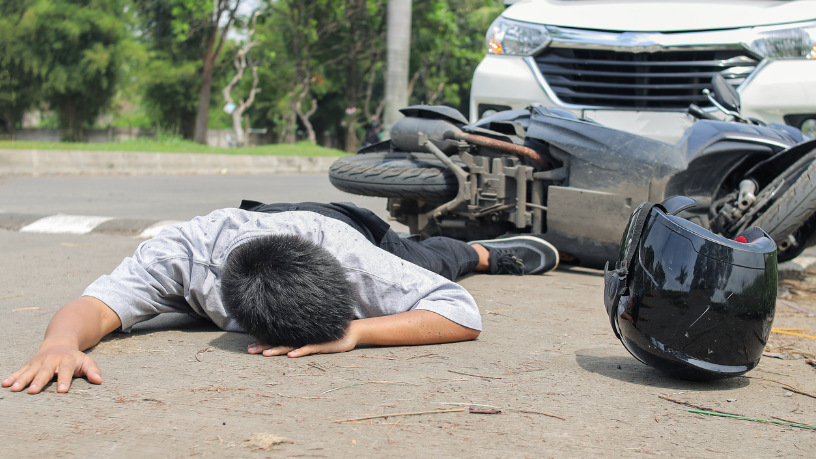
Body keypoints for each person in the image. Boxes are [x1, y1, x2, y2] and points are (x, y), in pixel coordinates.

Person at [2, 201, 559, 394]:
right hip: (262, 220)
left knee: (428, 261)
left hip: (343, 225)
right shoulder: (181, 257)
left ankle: (481, 251)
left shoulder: (352, 259)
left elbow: (460, 312)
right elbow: (96, 307)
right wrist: (58, 344)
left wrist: (358, 332)